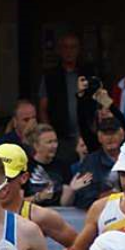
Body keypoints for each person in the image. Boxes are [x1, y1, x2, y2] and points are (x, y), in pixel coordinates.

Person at [37, 32, 91, 161]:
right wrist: (49, 135)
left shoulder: (88, 73)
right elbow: (43, 108)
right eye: (65, 47)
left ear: (78, 50)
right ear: (60, 50)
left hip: (86, 133)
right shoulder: (50, 76)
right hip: (61, 136)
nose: (69, 51)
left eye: (73, 47)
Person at [62, 118, 123, 209]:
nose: (110, 138)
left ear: (122, 135)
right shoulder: (90, 163)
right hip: (100, 212)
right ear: (99, 137)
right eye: (106, 134)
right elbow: (84, 197)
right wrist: (111, 196)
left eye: (113, 133)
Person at [26, 124, 68, 205]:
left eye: (55, 141)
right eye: (49, 142)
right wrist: (39, 197)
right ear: (36, 146)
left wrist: (71, 189)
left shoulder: (62, 165)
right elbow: (18, 202)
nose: (54, 146)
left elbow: (65, 202)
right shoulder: (26, 167)